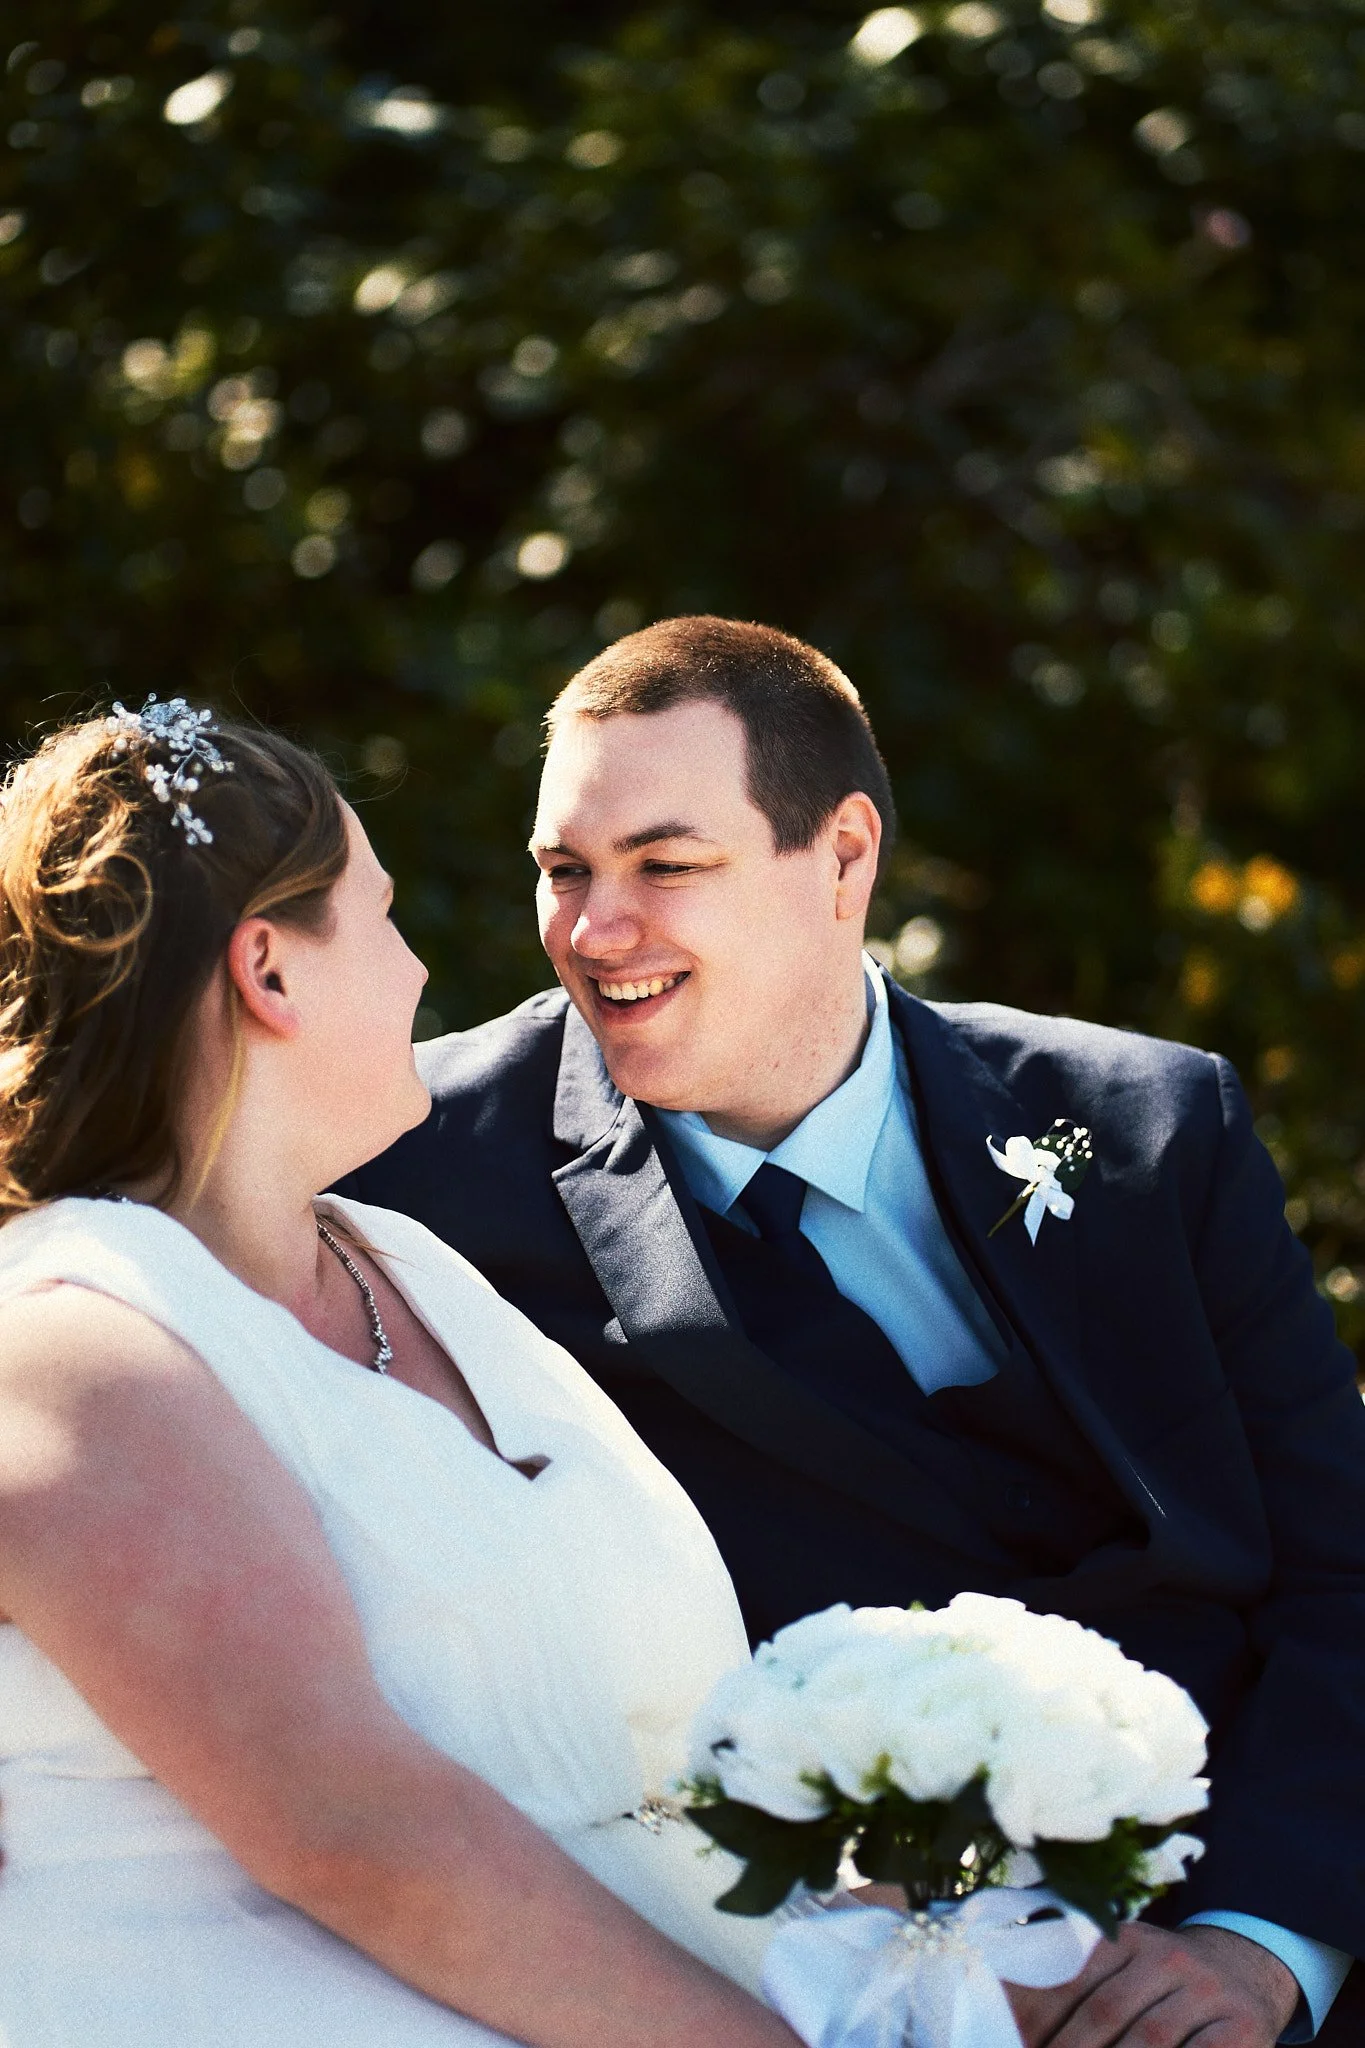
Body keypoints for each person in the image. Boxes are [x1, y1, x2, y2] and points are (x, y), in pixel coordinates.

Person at [345, 615, 1365, 2048]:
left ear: (844, 859)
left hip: (1265, 1903)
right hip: (807, 1967)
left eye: (666, 866)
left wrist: (1263, 1953)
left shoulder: (1151, 1125)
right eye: (564, 873)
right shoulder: (416, 1168)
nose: (594, 930)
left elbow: (1345, 1568)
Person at [0, 701, 807, 2048]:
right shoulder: (75, 1343)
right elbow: (356, 1832)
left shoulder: (411, 1262)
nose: (422, 966)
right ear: (270, 969)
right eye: (380, 919)